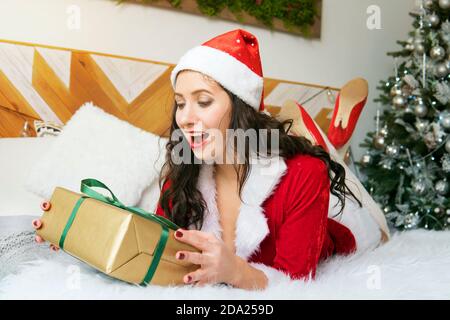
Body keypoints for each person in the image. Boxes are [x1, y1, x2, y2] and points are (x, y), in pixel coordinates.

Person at [153, 29, 364, 290]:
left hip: (337, 234)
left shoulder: (305, 173)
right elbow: (157, 255)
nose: (184, 118)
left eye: (204, 101)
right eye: (181, 103)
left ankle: (326, 141)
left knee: (370, 224)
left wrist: (236, 271)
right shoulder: (183, 175)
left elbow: (295, 284)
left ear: (241, 107)